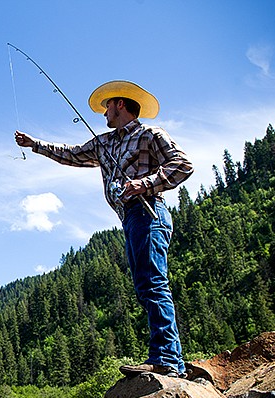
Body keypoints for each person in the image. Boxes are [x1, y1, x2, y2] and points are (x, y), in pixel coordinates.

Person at [14, 80, 193, 377]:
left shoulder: (150, 134)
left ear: (120, 104)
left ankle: (168, 361)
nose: (104, 113)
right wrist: (35, 145)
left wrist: (143, 184)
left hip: (150, 212)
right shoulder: (104, 143)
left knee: (153, 284)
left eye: (107, 106)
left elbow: (183, 165)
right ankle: (168, 359)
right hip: (130, 219)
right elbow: (71, 153)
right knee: (144, 286)